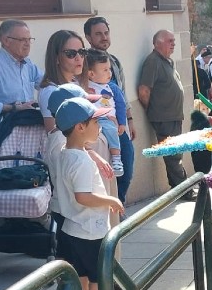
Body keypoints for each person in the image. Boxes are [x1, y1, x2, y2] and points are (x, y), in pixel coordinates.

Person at [51, 96, 127, 290]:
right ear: (80, 127)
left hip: (72, 229)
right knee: (98, 283)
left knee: (82, 281)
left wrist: (92, 155)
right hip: (91, 232)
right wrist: (109, 201)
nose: (101, 126)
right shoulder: (82, 161)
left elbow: (79, 151)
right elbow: (83, 196)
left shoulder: (66, 153)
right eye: (96, 121)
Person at [84, 16, 136, 202]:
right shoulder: (84, 63)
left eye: (106, 33)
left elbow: (122, 94)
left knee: (127, 166)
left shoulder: (114, 61)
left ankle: (119, 203)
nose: (104, 37)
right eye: (98, 34)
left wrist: (128, 120)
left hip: (119, 123)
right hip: (97, 127)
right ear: (88, 38)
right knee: (106, 170)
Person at [138, 30, 188, 192]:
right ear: (157, 43)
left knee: (176, 152)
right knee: (173, 154)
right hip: (164, 117)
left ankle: (180, 187)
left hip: (173, 116)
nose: (173, 43)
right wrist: (153, 109)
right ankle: (182, 189)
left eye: (174, 40)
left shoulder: (167, 61)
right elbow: (144, 91)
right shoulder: (153, 61)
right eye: (169, 41)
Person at [0, 19, 42, 131]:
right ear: (6, 41)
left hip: (28, 123)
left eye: (29, 39)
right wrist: (13, 108)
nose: (28, 44)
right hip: (3, 129)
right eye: (23, 40)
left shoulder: (28, 63)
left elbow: (45, 83)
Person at [80, 49, 126, 176]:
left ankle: (116, 158)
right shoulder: (84, 86)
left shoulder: (112, 87)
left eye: (109, 69)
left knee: (111, 131)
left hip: (107, 119)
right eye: (105, 70)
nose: (109, 73)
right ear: (91, 74)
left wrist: (122, 122)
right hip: (91, 119)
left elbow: (121, 105)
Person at [37, 30, 87, 132]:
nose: (79, 58)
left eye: (82, 52)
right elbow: (53, 134)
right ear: (56, 58)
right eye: (71, 54)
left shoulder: (75, 84)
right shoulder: (50, 91)